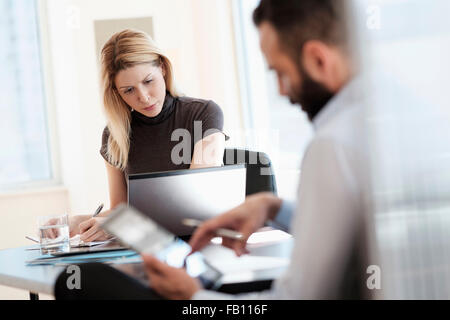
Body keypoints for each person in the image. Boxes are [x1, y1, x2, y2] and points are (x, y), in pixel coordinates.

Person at [141, 0, 372, 300]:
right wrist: (274, 208)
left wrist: (194, 300)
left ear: (318, 59)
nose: (281, 90)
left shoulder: (331, 146)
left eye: (281, 72)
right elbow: (352, 229)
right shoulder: (383, 122)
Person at [67, 29, 227, 242]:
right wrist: (78, 222)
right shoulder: (114, 134)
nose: (143, 97)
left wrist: (118, 224)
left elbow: (194, 203)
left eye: (148, 81)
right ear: (116, 92)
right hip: (146, 245)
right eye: (128, 90)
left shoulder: (203, 113)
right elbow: (121, 208)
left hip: (198, 242)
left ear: (162, 68)